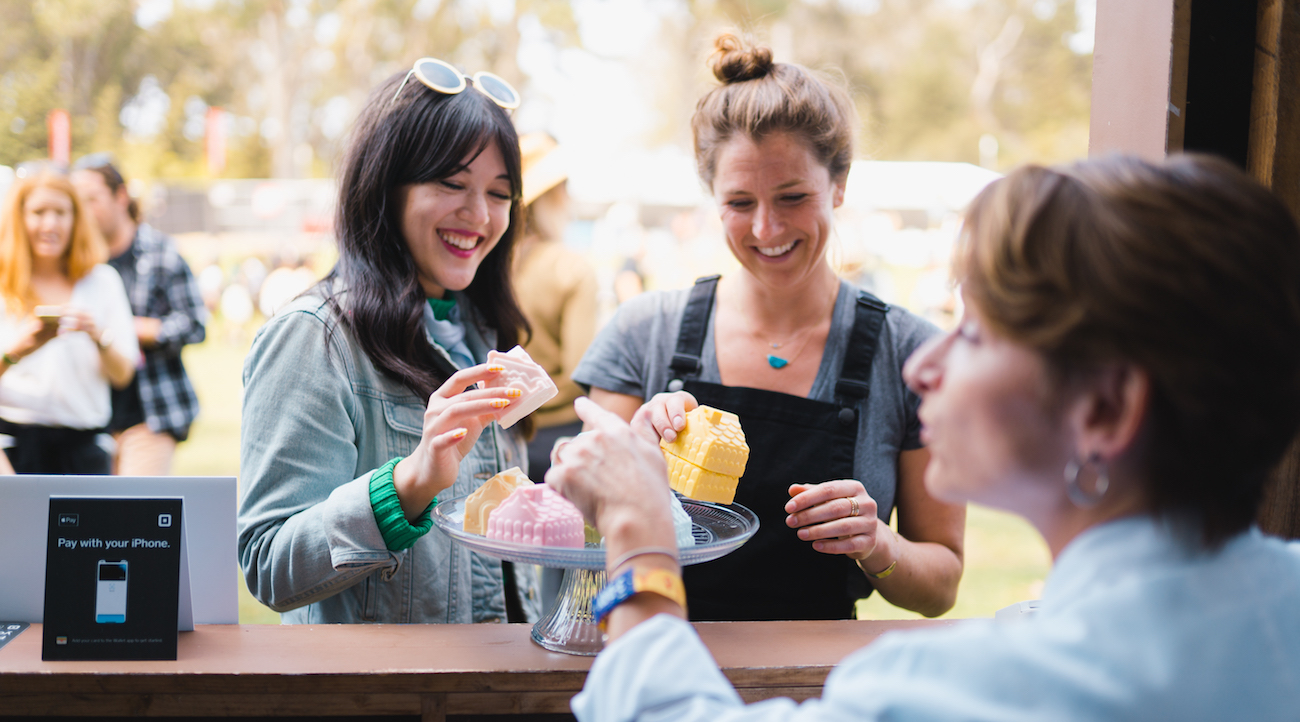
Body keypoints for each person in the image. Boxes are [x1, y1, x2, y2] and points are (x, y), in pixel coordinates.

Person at [544, 153, 1300, 722]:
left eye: (975, 331)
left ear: (1105, 408)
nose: (924, 363)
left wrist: (641, 537)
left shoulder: (981, 710)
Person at [573, 35, 964, 620]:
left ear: (839, 185)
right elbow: (580, 542)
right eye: (739, 202)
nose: (766, 227)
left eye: (792, 196)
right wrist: (631, 466)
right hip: (665, 660)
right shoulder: (641, 334)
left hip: (817, 687)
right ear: (712, 196)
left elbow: (941, 586)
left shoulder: (909, 351)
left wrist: (879, 542)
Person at [238, 58, 539, 624]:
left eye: (499, 193)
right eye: (452, 183)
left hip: (498, 689)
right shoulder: (314, 336)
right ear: (384, 186)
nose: (478, 215)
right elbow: (268, 563)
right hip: (382, 700)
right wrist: (408, 484)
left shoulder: (482, 330)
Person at [71, 156, 206, 476]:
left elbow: (195, 324)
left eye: (91, 199)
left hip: (149, 411)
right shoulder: (75, 262)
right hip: (88, 414)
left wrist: (137, 330)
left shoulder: (161, 253)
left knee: (133, 514)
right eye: (76, 202)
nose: (83, 211)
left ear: (120, 198)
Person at [0, 169, 138, 474]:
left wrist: (97, 335)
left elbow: (122, 375)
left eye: (61, 213)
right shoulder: (3, 283)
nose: (50, 224)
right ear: (19, 218)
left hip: (83, 447)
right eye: (38, 212)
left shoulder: (102, 281)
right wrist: (18, 350)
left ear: (76, 219)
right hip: (12, 445)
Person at [512, 132, 599, 483]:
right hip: (557, 439)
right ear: (552, 194)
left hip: (499, 433)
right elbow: (581, 372)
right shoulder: (572, 269)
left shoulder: (488, 267)